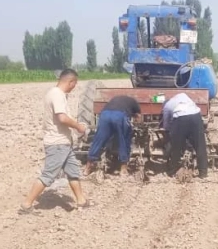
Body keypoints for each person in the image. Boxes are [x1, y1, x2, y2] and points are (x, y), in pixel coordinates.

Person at [19, 69, 94, 213]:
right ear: (71, 81)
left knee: (73, 171)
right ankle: (26, 205)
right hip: (57, 143)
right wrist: (79, 127)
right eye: (75, 84)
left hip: (64, 142)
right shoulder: (57, 95)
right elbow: (62, 118)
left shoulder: (54, 93)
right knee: (48, 175)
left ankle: (81, 201)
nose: (74, 87)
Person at [83, 95, 142, 176]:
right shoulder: (134, 101)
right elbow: (138, 117)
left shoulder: (114, 99)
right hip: (120, 116)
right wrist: (136, 123)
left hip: (105, 115)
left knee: (98, 139)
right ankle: (123, 169)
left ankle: (87, 168)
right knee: (124, 140)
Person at [161, 93, 208, 179]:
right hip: (196, 117)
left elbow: (166, 123)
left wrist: (168, 132)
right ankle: (203, 173)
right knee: (200, 146)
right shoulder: (185, 97)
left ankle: (172, 171)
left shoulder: (167, 106)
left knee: (176, 147)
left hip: (181, 119)